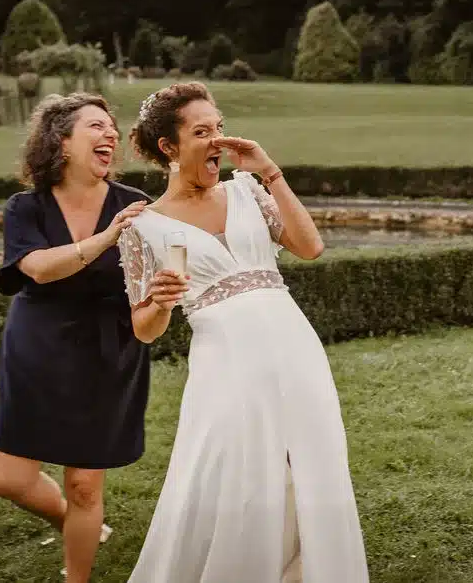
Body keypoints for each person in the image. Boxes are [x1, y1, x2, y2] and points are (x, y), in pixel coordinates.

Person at [117, 81, 369, 583]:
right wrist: (162, 302)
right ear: (168, 146)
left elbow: (309, 246)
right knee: (236, 474)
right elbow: (144, 329)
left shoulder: (247, 191)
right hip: (226, 363)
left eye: (220, 128)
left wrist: (269, 172)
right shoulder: (144, 226)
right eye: (201, 132)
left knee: (313, 466)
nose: (217, 140)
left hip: (295, 349)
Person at [0, 93, 151, 583]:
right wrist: (104, 239)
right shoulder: (25, 207)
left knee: (83, 486)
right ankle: (78, 525)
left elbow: (148, 279)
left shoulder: (135, 208)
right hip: (36, 347)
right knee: (8, 480)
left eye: (113, 129)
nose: (111, 136)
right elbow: (36, 268)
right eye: (97, 127)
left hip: (107, 350)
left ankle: (76, 570)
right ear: (62, 140)